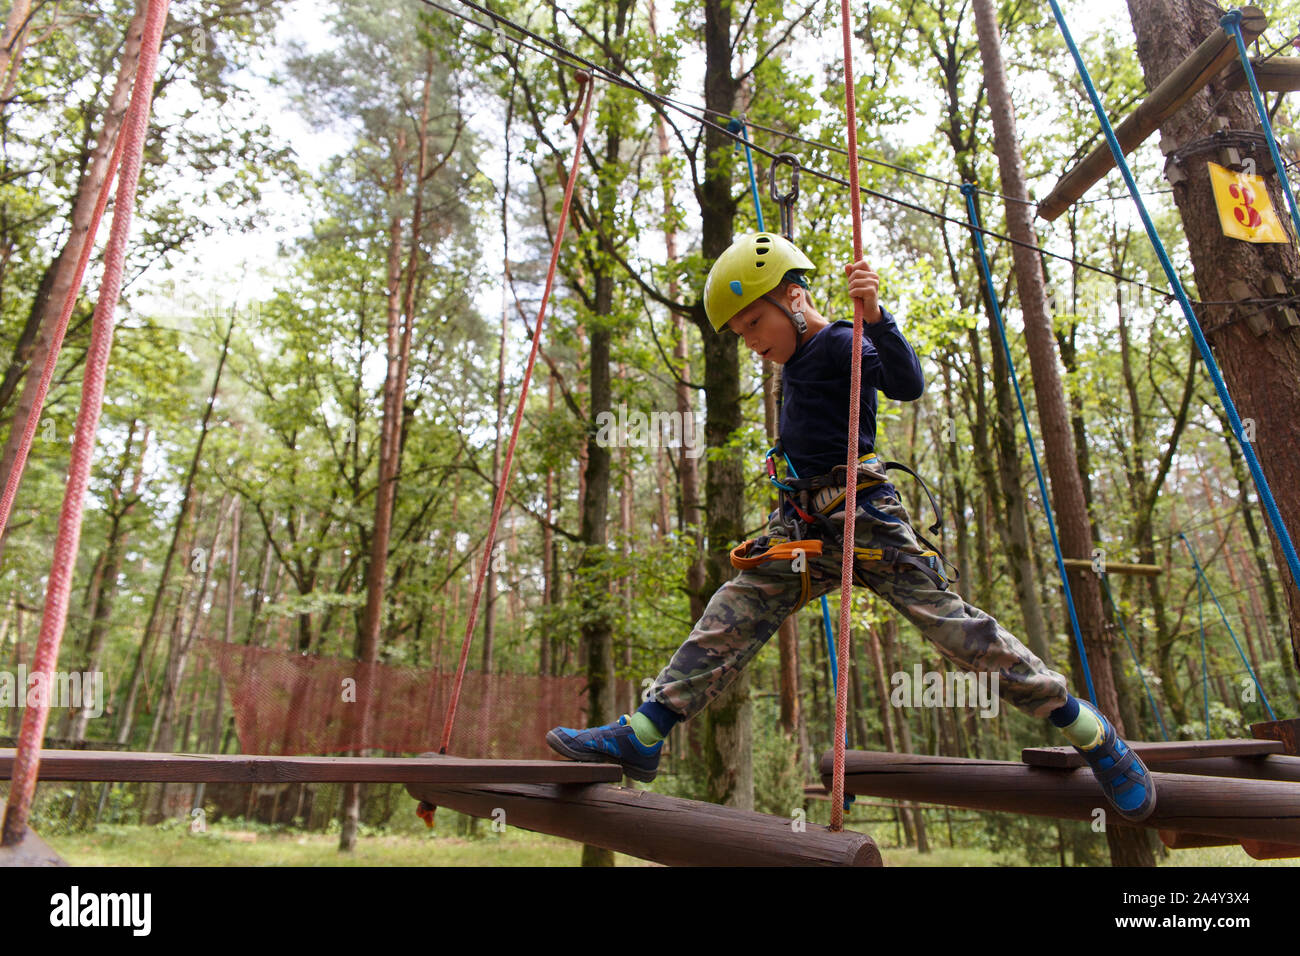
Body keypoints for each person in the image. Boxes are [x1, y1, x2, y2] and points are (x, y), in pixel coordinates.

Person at [546, 232, 1156, 823]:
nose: (749, 341)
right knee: (732, 611)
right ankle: (644, 734)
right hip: (805, 523)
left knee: (959, 634)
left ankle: (1093, 735)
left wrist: (878, 316)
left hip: (865, 518)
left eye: (753, 323)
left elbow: (906, 383)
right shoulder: (796, 358)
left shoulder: (841, 341)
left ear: (792, 297)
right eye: (739, 333)